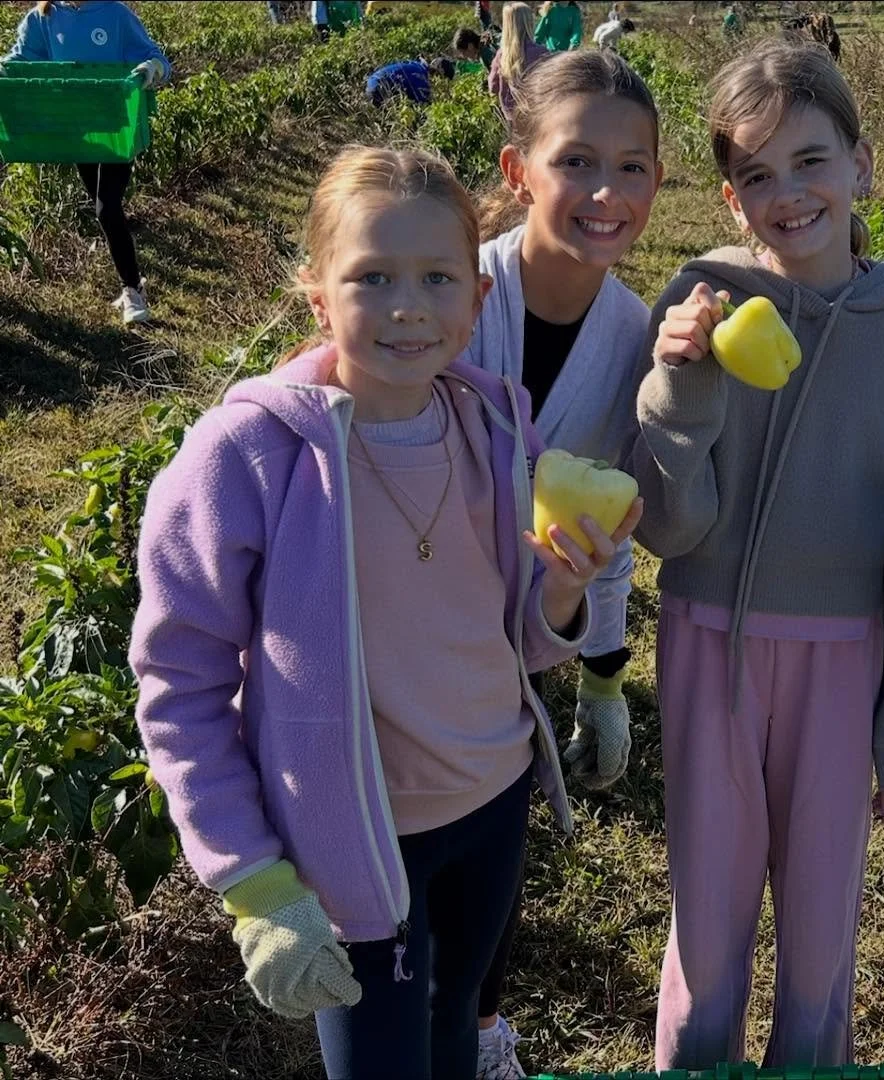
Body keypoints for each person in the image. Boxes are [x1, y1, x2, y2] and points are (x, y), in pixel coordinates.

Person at [129, 145, 642, 1080]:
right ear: (317, 294)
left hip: (492, 803)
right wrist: (253, 881)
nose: (409, 305)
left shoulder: (495, 423)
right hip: (356, 837)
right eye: (373, 277)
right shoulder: (247, 455)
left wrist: (564, 586)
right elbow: (179, 683)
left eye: (438, 276)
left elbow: (518, 632)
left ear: (478, 299)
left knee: (457, 1031)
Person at [627, 37, 884, 1069]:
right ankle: (696, 1063)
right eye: (757, 175)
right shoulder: (703, 301)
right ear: (730, 198)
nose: (789, 194)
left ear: (861, 166)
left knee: (821, 935)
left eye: (811, 161)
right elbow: (669, 530)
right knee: (708, 924)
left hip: (841, 654)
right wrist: (680, 387)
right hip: (707, 640)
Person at [458, 48, 662, 1078]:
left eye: (632, 167)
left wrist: (606, 681)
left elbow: (612, 524)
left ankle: (485, 1035)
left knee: (493, 853)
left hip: (523, 640)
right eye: (576, 160)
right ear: (517, 169)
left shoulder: (637, 339)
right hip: (407, 623)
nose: (605, 192)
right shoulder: (449, 290)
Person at [3, 1, 171, 325]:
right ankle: (131, 287)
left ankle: (133, 291)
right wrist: (5, 68)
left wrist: (151, 68)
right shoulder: (45, 16)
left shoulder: (115, 15)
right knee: (101, 205)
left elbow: (158, 60)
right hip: (76, 130)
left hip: (115, 130)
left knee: (107, 206)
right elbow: (21, 60)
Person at [489, 2, 548, 121]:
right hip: (535, 114)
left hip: (511, 117)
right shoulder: (541, 53)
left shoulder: (502, 55)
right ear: (529, 24)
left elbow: (493, 87)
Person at [364, 57, 456, 106]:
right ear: (439, 73)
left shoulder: (417, 66)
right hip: (380, 89)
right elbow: (423, 103)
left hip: (372, 84)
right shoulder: (420, 76)